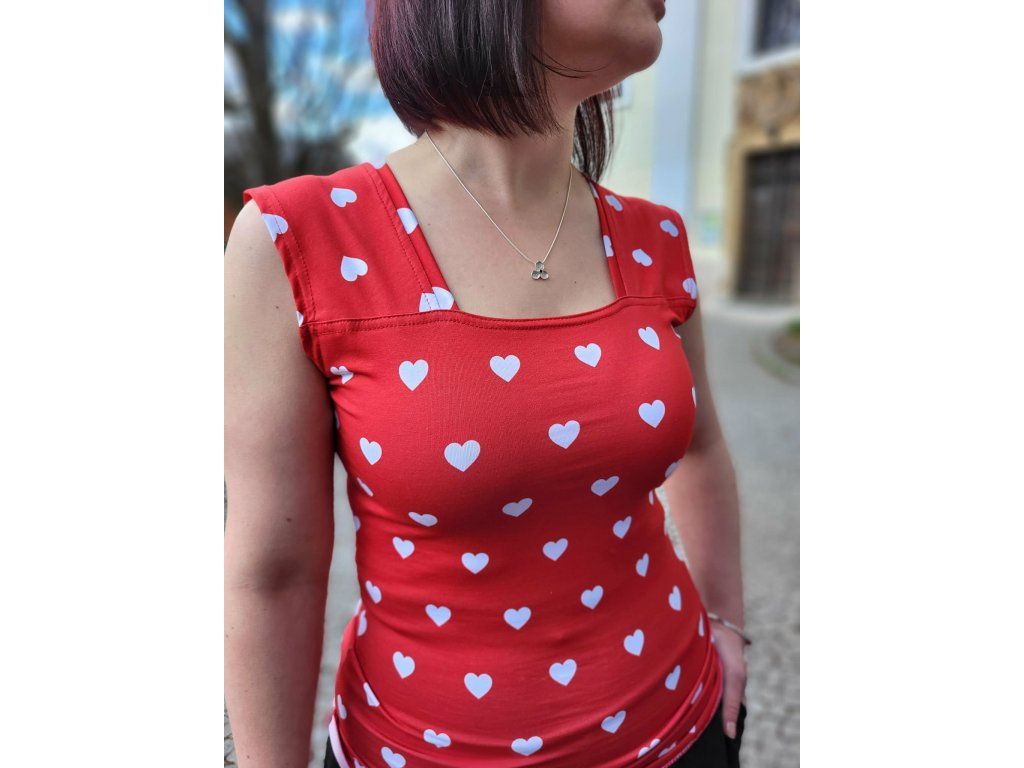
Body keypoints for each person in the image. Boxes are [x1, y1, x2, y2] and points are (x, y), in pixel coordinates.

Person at [224, 1, 748, 766]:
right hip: (417, 748)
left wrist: (726, 621)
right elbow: (275, 571)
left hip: (682, 727)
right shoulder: (299, 239)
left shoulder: (656, 237)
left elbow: (700, 447)